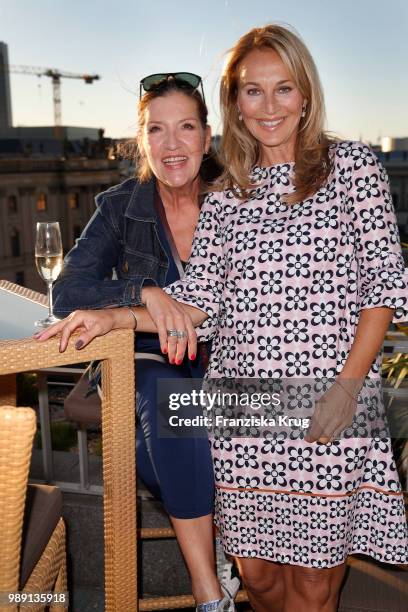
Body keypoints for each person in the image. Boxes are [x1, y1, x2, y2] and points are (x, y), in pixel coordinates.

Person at [36, 25, 408, 611]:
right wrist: (118, 318)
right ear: (235, 102)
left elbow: (385, 285)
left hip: (326, 395)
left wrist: (348, 388)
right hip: (241, 405)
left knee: (314, 586)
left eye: (283, 89)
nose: (268, 107)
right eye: (252, 92)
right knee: (258, 578)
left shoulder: (353, 168)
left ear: (305, 94)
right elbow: (200, 301)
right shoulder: (229, 192)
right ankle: (216, 591)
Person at [38, 73, 238, 612]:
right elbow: (69, 290)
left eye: (186, 128)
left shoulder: (242, 193)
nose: (171, 145)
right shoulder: (120, 204)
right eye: (157, 130)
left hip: (232, 362)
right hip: (151, 362)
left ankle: (222, 543)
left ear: (206, 136)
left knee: (172, 440)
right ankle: (210, 592)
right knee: (167, 400)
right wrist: (144, 291)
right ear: (142, 138)